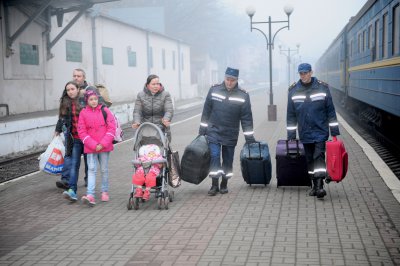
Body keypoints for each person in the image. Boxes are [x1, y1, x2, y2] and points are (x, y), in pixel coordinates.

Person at [198, 67, 255, 196]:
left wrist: (249, 138)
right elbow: (206, 111)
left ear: (237, 80)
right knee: (215, 156)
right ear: (224, 77)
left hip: (231, 132)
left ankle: (224, 183)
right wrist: (202, 130)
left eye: (232, 80)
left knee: (228, 160)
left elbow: (246, 118)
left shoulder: (243, 95)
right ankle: (214, 185)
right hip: (214, 131)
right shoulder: (214, 89)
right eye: (227, 79)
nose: (229, 82)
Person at [286, 63, 340, 199]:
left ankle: (319, 186)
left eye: (305, 73)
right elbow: (291, 115)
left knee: (318, 156)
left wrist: (334, 131)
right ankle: (313, 184)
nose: (303, 76)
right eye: (301, 73)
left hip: (320, 130)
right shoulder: (293, 91)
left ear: (311, 72)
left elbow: (330, 111)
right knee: (309, 159)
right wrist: (291, 135)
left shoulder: (322, 87)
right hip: (305, 131)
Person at [78, 89, 116, 206]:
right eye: (91, 99)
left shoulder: (105, 111)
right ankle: (90, 195)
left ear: (98, 99)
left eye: (95, 99)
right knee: (91, 169)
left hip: (104, 146)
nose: (94, 101)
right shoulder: (83, 113)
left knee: (104, 169)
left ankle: (104, 191)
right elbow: (82, 131)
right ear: (86, 101)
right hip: (91, 148)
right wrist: (94, 145)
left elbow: (111, 128)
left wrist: (102, 144)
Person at [132, 74, 174, 141]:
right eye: (153, 84)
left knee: (163, 149)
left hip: (161, 128)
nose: (156, 86)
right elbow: (137, 111)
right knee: (141, 149)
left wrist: (166, 119)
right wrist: (137, 122)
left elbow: (169, 110)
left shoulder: (165, 94)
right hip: (145, 128)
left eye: (158, 84)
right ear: (148, 85)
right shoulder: (140, 95)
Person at [54, 81, 80, 190]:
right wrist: (57, 129)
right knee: (69, 157)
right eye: (68, 90)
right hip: (71, 135)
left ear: (78, 89)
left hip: (85, 136)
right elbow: (61, 117)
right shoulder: (65, 101)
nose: (70, 92)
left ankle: (88, 179)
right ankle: (66, 180)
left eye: (72, 89)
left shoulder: (83, 100)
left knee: (88, 162)